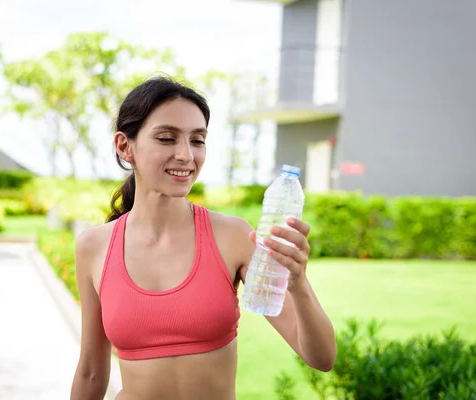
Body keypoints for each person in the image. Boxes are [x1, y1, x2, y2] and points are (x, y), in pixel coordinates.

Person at [70, 76, 336, 400]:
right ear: (125, 146)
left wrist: (298, 285)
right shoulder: (93, 247)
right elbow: (91, 371)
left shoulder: (234, 237)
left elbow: (321, 358)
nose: (186, 155)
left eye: (197, 140)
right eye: (167, 139)